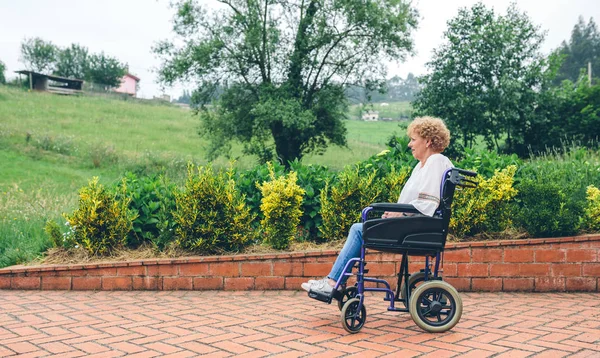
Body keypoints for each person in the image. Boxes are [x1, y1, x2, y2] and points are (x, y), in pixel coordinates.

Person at [301, 116, 453, 295]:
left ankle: (333, 282)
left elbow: (427, 204)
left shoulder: (435, 162)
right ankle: (335, 281)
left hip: (416, 229)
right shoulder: (423, 165)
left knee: (359, 229)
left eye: (413, 139)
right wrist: (396, 213)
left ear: (427, 141)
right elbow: (417, 203)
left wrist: (401, 215)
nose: (409, 144)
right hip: (415, 226)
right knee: (361, 227)